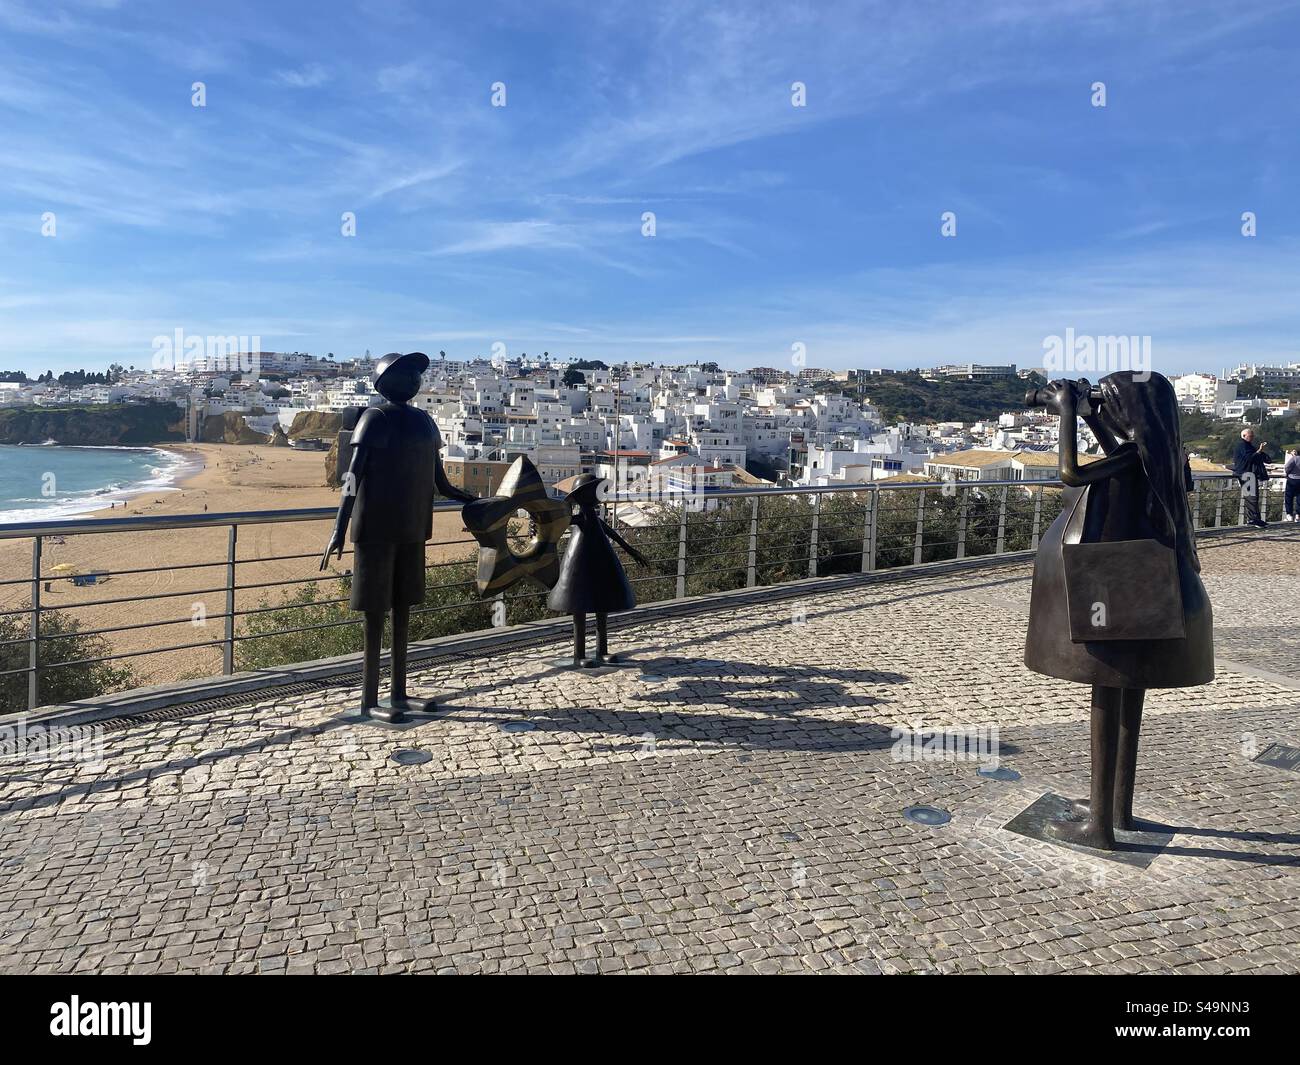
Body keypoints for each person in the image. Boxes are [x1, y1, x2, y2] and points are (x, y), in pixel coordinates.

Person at [1024, 372, 1213, 851]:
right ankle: (1118, 808)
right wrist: (1090, 417)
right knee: (1129, 691)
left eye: (1109, 405)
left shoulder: (1136, 455)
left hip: (1120, 587)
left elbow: (1072, 474)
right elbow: (1118, 451)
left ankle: (1099, 829)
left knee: (1106, 692)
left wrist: (1068, 410)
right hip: (1145, 580)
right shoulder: (1157, 454)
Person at [320, 351, 474, 721]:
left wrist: (475, 499)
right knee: (375, 611)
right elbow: (352, 480)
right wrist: (339, 528)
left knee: (403, 607)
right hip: (375, 529)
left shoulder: (425, 422)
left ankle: (400, 692)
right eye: (404, 372)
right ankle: (370, 699)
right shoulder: (374, 418)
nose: (412, 379)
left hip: (413, 527)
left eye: (415, 374)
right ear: (385, 382)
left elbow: (441, 482)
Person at [547, 474, 650, 667]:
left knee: (601, 605)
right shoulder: (579, 517)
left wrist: (630, 550)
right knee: (579, 606)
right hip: (579, 562)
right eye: (596, 491)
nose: (600, 494)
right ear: (585, 495)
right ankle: (579, 654)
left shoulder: (591, 516)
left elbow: (608, 531)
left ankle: (601, 651)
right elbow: (558, 523)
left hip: (599, 562)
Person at [1232, 427, 1270, 529]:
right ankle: (1253, 519)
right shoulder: (1242, 446)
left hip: (1248, 473)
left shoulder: (1247, 446)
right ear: (1244, 436)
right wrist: (1258, 451)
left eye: (1252, 435)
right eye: (1250, 436)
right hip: (1246, 473)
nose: (1252, 437)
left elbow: (1260, 458)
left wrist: (1260, 452)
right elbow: (1249, 458)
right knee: (1251, 497)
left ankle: (1254, 518)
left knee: (1253, 497)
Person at [1285, 447, 1300, 523]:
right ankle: (1298, 515)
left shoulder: (1294, 459)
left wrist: (1287, 473)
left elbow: (1287, 466)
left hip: (1292, 479)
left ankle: (1289, 514)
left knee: (1289, 497)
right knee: (1299, 498)